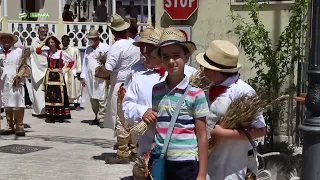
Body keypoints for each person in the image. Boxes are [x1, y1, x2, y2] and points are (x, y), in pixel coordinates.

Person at [195, 40, 266, 179]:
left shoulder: (243, 92)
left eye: (205, 68)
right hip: (210, 161)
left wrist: (222, 133)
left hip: (233, 165)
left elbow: (260, 130)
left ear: (215, 71)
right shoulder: (209, 88)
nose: (202, 71)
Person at [146, 27, 209, 180]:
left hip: (185, 164)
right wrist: (150, 152)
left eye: (176, 56)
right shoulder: (157, 90)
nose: (171, 61)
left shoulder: (197, 94)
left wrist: (201, 174)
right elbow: (159, 126)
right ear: (161, 60)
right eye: (166, 57)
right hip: (161, 160)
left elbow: (202, 136)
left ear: (186, 57)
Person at [103, 14, 140, 164]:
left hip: (120, 85)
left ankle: (122, 152)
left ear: (113, 32)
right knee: (132, 117)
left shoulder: (117, 46)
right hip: (134, 83)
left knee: (121, 118)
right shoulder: (134, 44)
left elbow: (108, 68)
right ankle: (134, 148)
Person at [35, 35, 74, 123]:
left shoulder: (61, 53)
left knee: (60, 96)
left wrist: (65, 70)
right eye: (49, 43)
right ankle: (51, 116)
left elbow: (71, 61)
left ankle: (60, 116)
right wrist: (45, 40)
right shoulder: (47, 52)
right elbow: (37, 50)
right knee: (50, 97)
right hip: (49, 77)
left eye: (52, 42)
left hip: (58, 77)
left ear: (56, 43)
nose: (51, 44)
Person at [0, 31, 29, 136]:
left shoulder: (19, 51)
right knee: (7, 104)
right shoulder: (0, 52)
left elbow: (24, 66)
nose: (6, 40)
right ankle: (9, 126)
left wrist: (19, 76)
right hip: (3, 82)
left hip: (16, 81)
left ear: (12, 41)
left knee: (17, 103)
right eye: (3, 39)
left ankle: (19, 126)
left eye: (8, 38)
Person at [80, 30, 109, 127]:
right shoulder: (88, 49)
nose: (90, 41)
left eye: (92, 39)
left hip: (101, 77)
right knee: (93, 97)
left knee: (102, 97)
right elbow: (85, 63)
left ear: (97, 39)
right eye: (89, 39)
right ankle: (97, 116)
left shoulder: (105, 47)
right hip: (89, 78)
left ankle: (102, 118)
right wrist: (83, 77)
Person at [30, 26, 49, 117]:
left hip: (48, 71)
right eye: (42, 32)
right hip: (38, 69)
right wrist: (47, 63)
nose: (44, 33)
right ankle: (39, 111)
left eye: (45, 32)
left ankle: (46, 110)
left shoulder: (49, 42)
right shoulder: (35, 42)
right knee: (38, 92)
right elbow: (38, 55)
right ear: (38, 32)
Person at [61, 35, 83, 110]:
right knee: (65, 88)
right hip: (64, 72)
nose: (65, 42)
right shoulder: (60, 51)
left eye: (66, 40)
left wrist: (79, 70)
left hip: (73, 71)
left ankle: (77, 104)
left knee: (76, 88)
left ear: (69, 41)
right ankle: (66, 103)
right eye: (63, 40)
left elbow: (79, 60)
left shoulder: (74, 50)